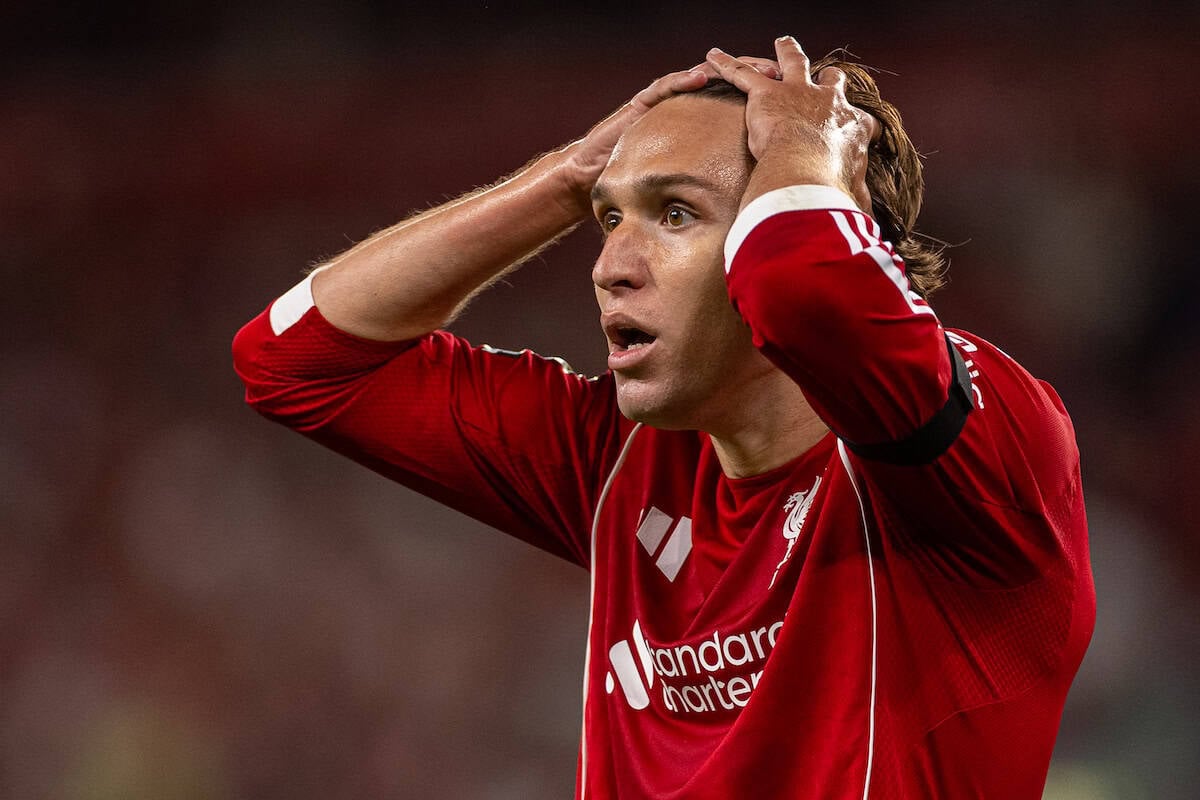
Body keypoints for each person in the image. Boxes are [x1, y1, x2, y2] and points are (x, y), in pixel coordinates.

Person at [234, 37, 1094, 799]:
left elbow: (801, 291)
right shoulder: (619, 461)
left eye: (675, 213)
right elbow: (296, 360)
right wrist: (564, 180)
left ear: (837, 210)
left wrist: (803, 145)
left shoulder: (977, 456)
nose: (611, 265)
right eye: (609, 220)